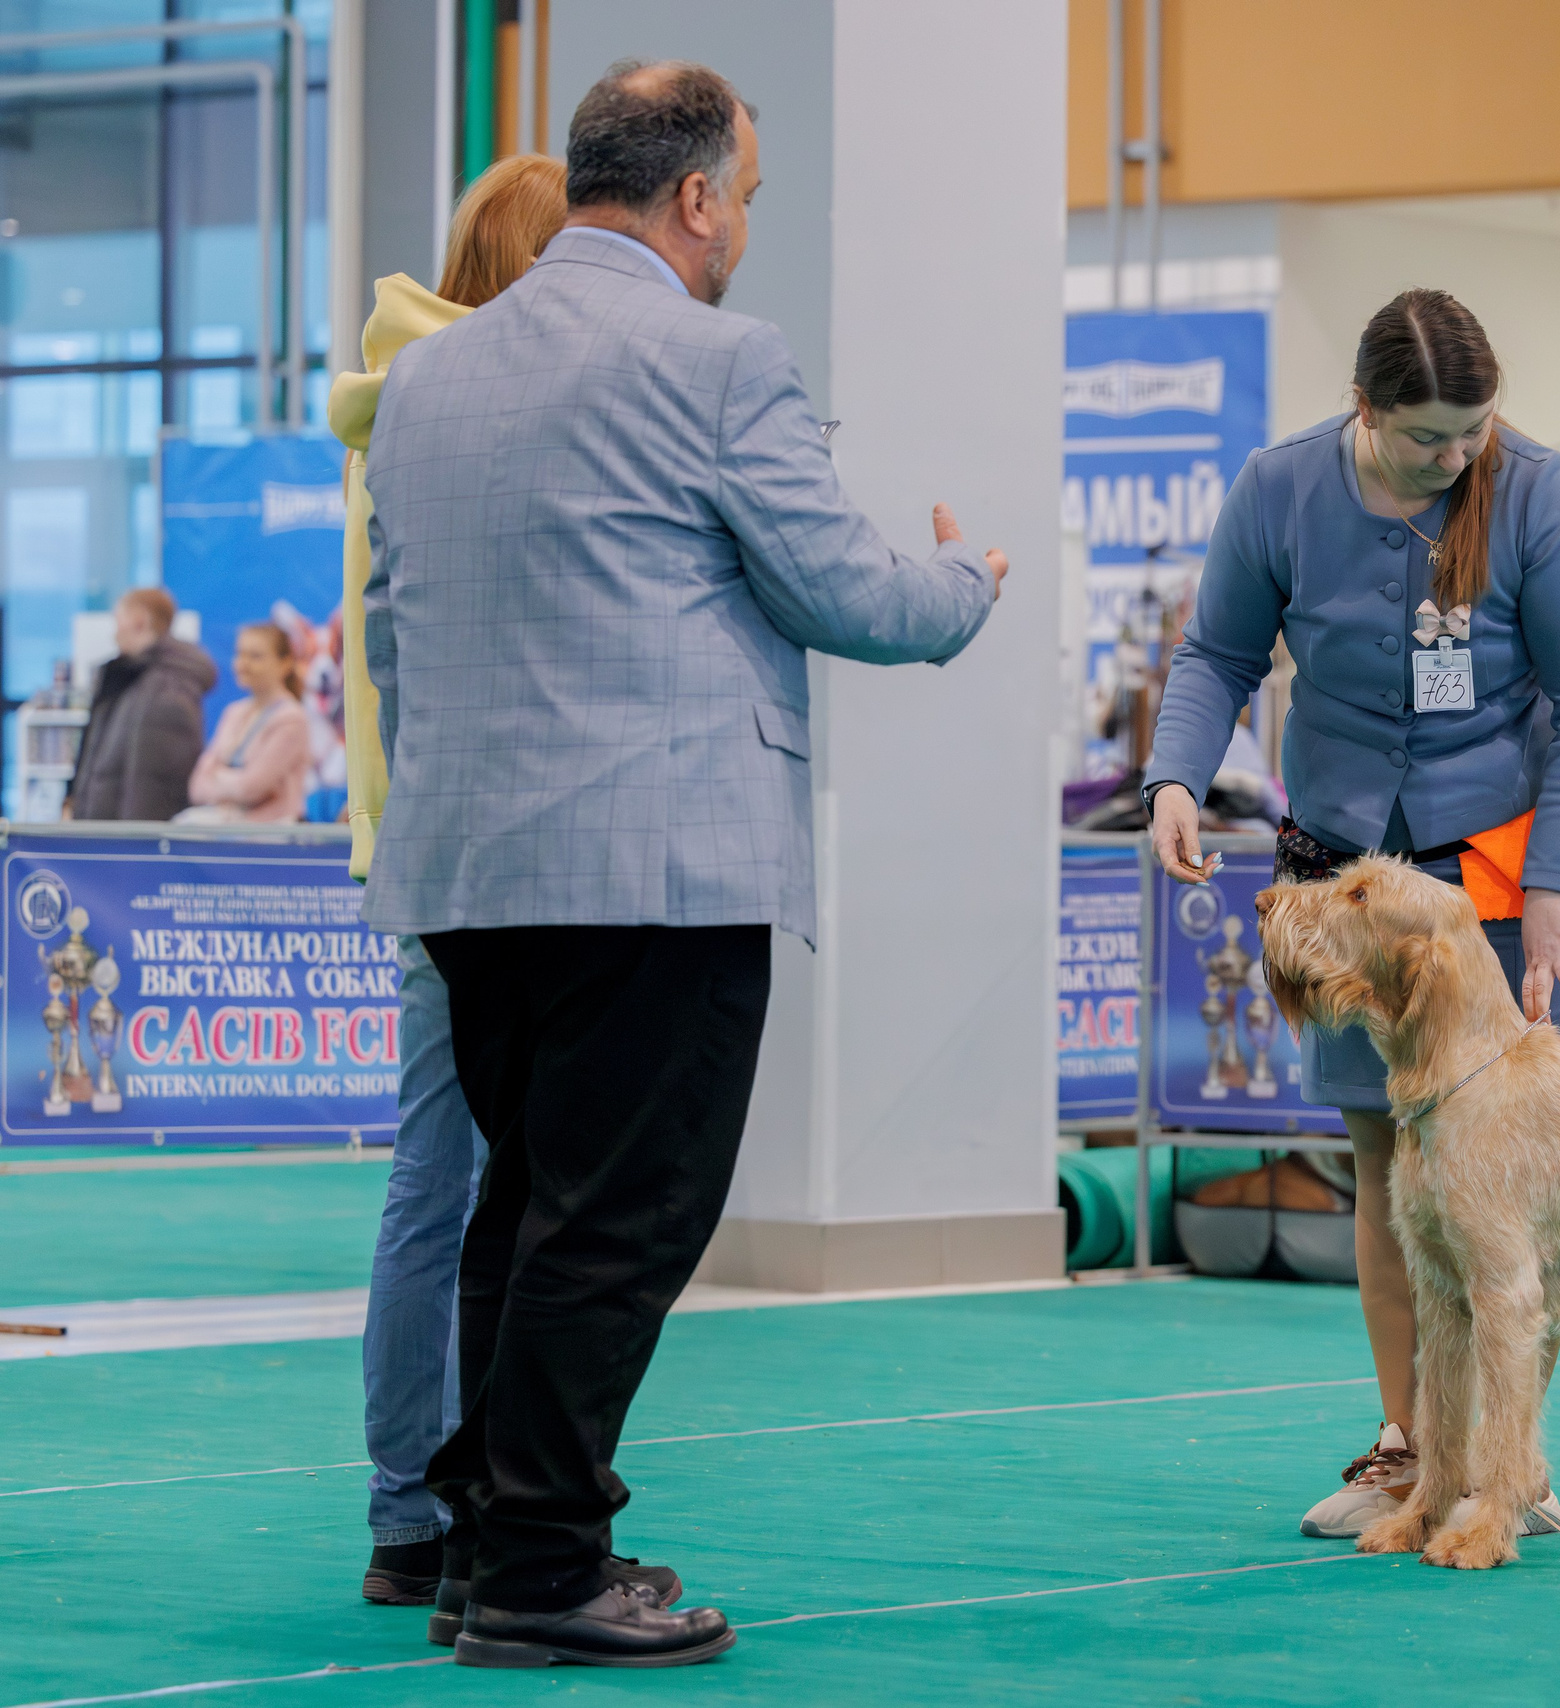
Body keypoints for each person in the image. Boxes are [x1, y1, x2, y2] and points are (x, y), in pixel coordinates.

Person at [361, 61, 1004, 1669]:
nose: (744, 236)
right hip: (657, 869)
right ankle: (543, 1569)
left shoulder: (430, 380)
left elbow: (393, 635)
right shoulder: (718, 361)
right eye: (749, 201)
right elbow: (848, 594)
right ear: (698, 196)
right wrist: (965, 577)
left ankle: (484, 1544)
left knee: (520, 1213)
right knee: (619, 1222)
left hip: (467, 872)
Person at [1143, 288, 1560, 1542]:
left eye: (1473, 430)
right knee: (1388, 1169)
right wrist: (1176, 778)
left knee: (1507, 1182)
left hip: (1493, 875)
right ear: (1364, 409)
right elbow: (1215, 659)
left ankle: (1506, 1459)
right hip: (1351, 877)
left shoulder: (1538, 493)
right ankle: (1411, 1447)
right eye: (1428, 437)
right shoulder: (1279, 485)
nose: (1457, 456)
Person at [330, 152, 564, 1611]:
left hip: (414, 849)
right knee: (513, 1194)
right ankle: (487, 1500)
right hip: (501, 850)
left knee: (436, 1188)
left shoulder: (390, 406)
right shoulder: (491, 412)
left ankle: (407, 1507)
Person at [63, 587, 214, 821]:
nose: (114, 633)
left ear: (139, 621)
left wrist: (135, 843)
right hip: (104, 830)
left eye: (118, 621)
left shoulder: (167, 687)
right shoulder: (127, 678)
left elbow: (155, 782)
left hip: (128, 839)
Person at [181, 621, 312, 823]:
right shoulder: (233, 713)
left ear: (285, 664)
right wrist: (235, 783)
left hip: (273, 838)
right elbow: (197, 786)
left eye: (255, 656)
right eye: (240, 654)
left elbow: (252, 787)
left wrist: (218, 776)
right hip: (228, 831)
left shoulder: (292, 719)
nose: (243, 664)